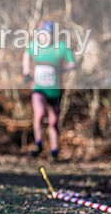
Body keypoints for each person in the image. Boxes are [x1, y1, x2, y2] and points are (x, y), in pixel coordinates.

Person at [22, 20, 75, 161]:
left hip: (55, 90)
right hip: (38, 88)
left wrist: (62, 69)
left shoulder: (60, 47)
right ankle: (38, 144)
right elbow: (26, 55)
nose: (46, 37)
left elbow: (72, 63)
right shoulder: (34, 46)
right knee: (39, 115)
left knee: (53, 122)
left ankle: (54, 151)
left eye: (49, 34)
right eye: (43, 34)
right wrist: (26, 72)